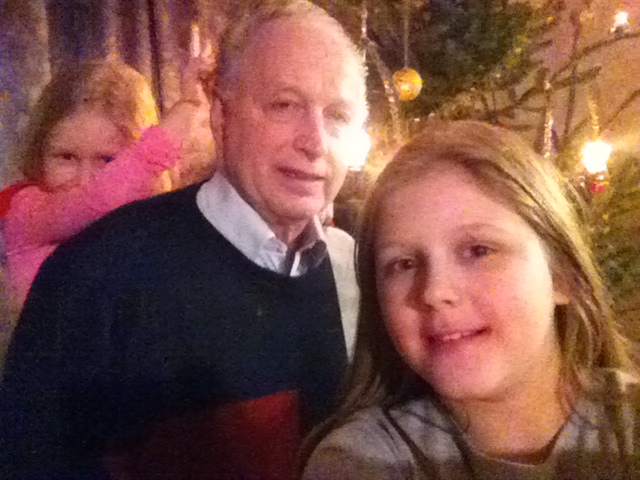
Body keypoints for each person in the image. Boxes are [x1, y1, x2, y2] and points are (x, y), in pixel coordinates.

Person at [1, 1, 367, 478]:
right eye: (284, 105)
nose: (315, 142)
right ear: (221, 115)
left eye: (337, 115)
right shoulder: (94, 275)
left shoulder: (362, 272)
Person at [302, 120, 640, 479]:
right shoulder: (361, 460)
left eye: (478, 250)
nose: (434, 292)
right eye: (404, 264)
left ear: (562, 274)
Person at [0, 53, 214, 308]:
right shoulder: (25, 210)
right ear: (39, 153)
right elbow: (99, 198)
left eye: (107, 160)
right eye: (66, 157)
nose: (84, 179)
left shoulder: (151, 222)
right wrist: (188, 104)